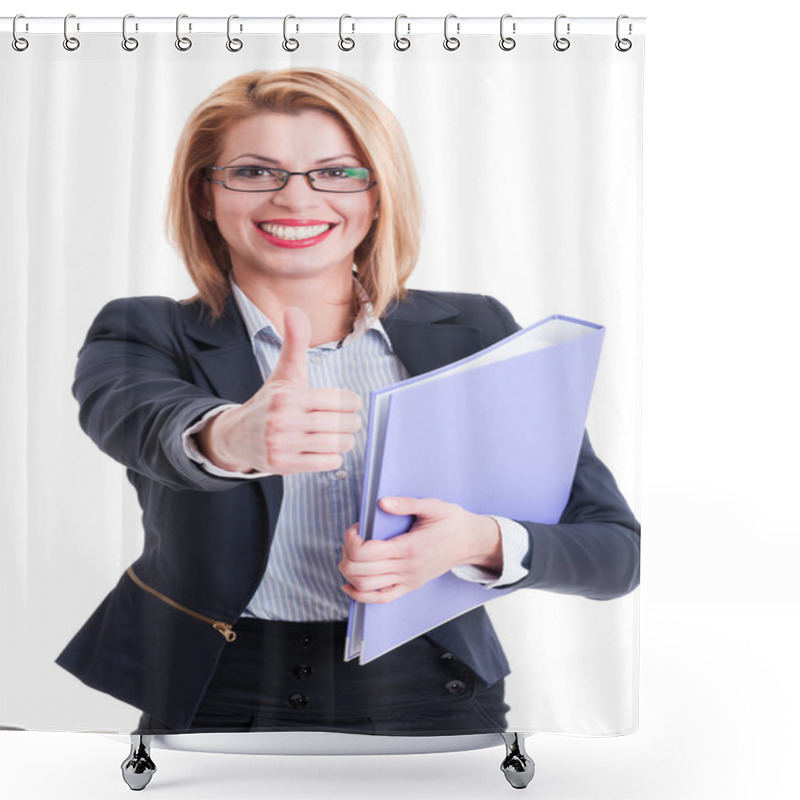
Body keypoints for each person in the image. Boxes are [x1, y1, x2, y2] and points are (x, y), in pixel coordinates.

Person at [56, 68, 640, 737]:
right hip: (214, 685)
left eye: (336, 172)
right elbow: (135, 416)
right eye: (253, 172)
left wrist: (478, 541)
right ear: (205, 195)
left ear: (378, 194)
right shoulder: (142, 329)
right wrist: (228, 436)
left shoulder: (475, 331)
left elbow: (614, 550)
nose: (296, 200)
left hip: (436, 684)